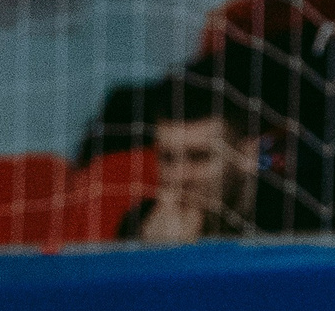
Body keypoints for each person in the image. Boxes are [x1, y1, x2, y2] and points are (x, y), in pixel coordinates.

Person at [114, 79, 272, 243]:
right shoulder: (140, 222)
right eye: (167, 158)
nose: (179, 176)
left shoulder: (284, 219)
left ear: (247, 156)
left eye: (199, 157)